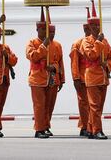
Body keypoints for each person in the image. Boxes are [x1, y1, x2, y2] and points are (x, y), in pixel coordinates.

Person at [82, 0, 111, 139]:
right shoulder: (87, 41)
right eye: (94, 26)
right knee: (95, 106)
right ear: (89, 27)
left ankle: (91, 128)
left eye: (98, 25)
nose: (97, 28)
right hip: (92, 77)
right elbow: (91, 55)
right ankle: (97, 130)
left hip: (103, 77)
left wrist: (107, 65)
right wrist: (98, 42)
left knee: (98, 107)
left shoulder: (105, 41)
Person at [26, 8, 55, 139]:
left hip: (50, 79)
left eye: (46, 29)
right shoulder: (32, 42)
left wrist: (53, 67)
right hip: (37, 79)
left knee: (47, 106)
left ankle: (45, 127)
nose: (45, 32)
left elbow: (56, 62)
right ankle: (39, 129)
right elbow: (33, 56)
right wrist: (43, 46)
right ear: (37, 30)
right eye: (42, 29)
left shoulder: (53, 44)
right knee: (39, 106)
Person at [70, 8, 91, 137]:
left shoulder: (99, 42)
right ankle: (84, 126)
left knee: (93, 104)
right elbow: (74, 63)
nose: (90, 31)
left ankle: (91, 124)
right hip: (82, 79)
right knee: (83, 104)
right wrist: (76, 78)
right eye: (88, 29)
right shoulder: (77, 44)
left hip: (96, 78)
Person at [45, 19, 65, 137]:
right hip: (42, 78)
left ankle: (47, 125)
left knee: (51, 105)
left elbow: (61, 62)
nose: (52, 34)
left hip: (55, 78)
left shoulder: (58, 45)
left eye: (54, 32)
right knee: (43, 105)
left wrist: (62, 79)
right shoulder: (39, 43)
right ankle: (44, 126)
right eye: (50, 32)